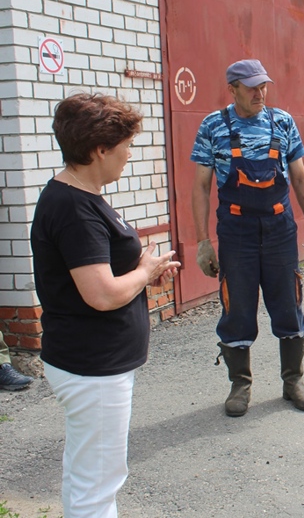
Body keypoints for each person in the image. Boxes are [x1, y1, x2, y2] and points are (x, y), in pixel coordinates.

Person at [30, 93, 180, 518]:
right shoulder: (75, 208)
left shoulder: (81, 195)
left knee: (90, 471)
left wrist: (139, 267)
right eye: (126, 145)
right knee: (97, 482)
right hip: (92, 364)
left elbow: (99, 269)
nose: (129, 155)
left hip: (93, 360)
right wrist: (145, 274)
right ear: (100, 149)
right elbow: (101, 294)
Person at [191, 59, 304, 417]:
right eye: (251, 87)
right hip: (236, 233)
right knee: (237, 307)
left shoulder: (282, 122)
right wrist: (202, 241)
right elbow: (201, 187)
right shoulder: (212, 126)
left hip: (280, 230)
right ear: (232, 89)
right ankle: (240, 384)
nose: (259, 93)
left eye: (263, 85)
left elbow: (300, 178)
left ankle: (293, 381)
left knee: (288, 303)